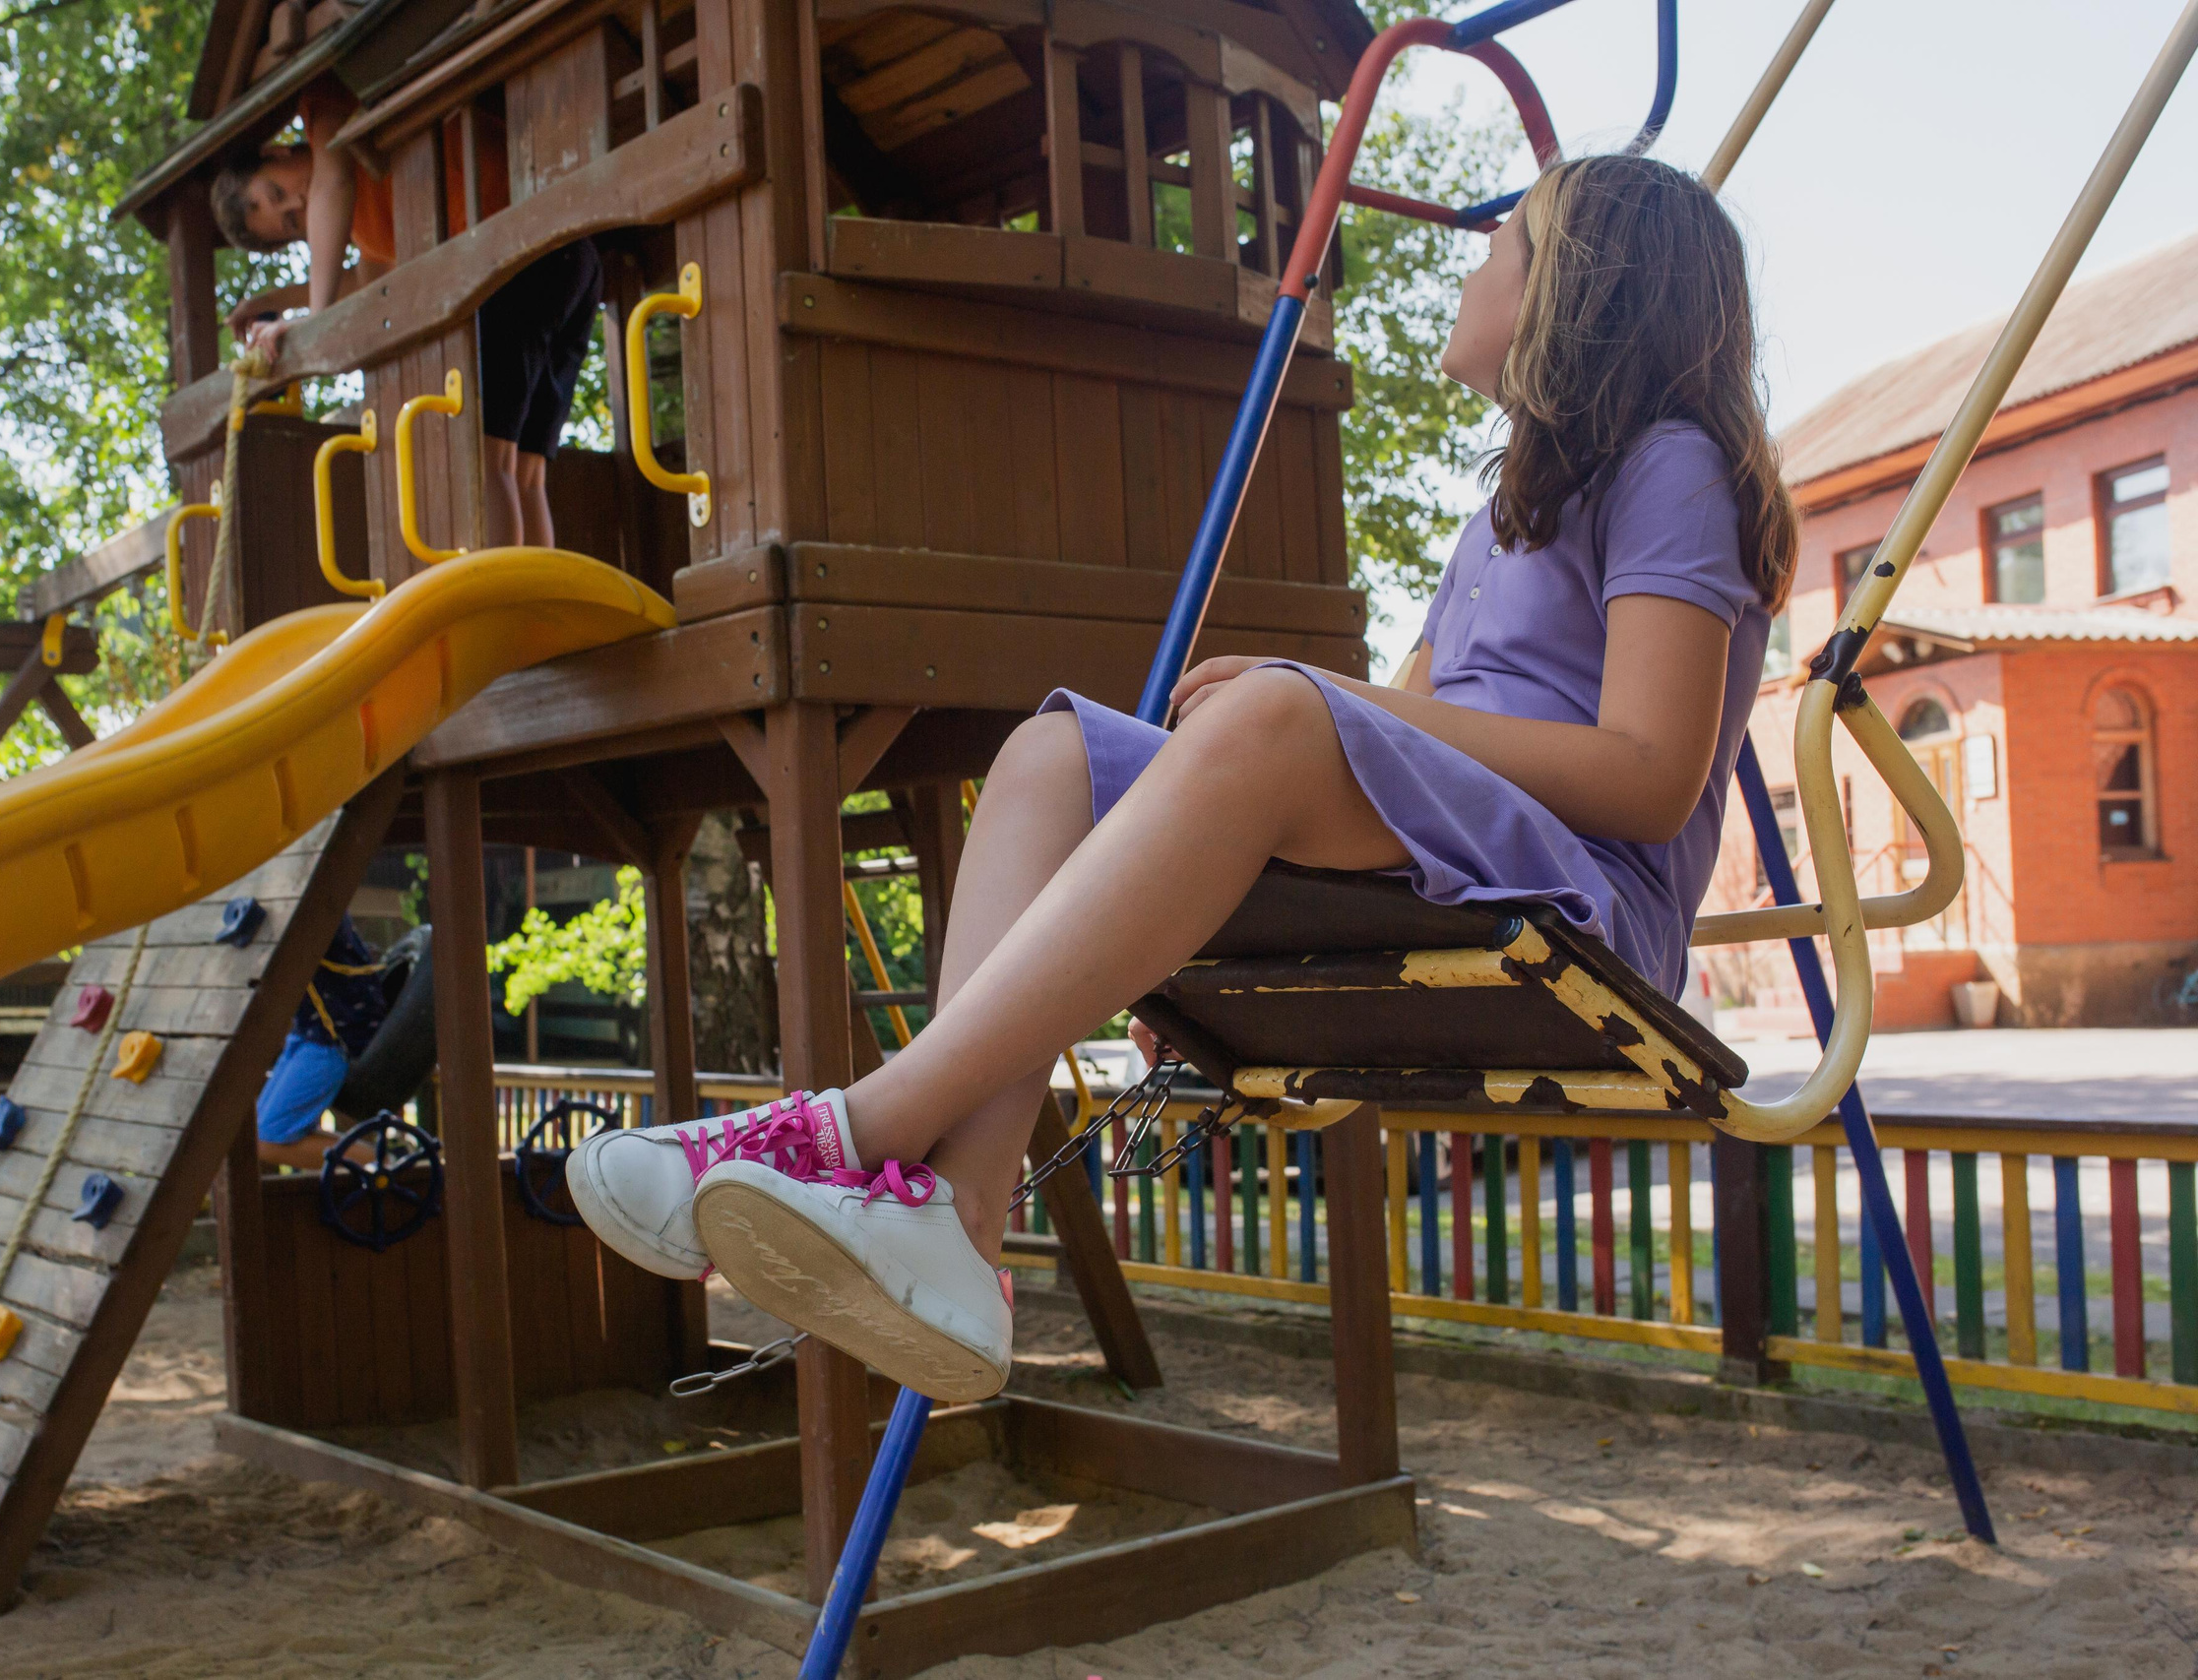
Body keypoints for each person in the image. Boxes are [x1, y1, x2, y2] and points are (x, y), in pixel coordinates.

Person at [565, 154, 1792, 1404]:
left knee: (1273, 708)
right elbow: (1415, 736)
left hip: (1588, 908)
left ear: (1572, 293)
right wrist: (1185, 908)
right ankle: (958, 1216)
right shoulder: (1500, 519)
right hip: (1454, 866)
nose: (1472, 264)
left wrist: (1331, 704)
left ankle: (851, 1130)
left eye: (1502, 244)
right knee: (1053, 753)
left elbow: (1648, 779)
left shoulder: (1673, 468)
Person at [210, 80, 602, 550]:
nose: (296, 203)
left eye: (276, 192)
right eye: (290, 222)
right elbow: (367, 283)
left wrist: (314, 318)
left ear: (275, 152)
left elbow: (333, 180)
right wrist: (275, 301)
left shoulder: (325, 110)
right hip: (564, 261)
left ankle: (510, 610)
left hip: (514, 249)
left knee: (485, 458)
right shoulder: (364, 229)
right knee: (524, 471)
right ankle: (545, 611)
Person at [255, 917, 393, 1169]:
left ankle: (386, 1168)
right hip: (308, 1030)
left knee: (268, 1139)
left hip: (335, 1035)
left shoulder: (313, 907)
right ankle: (380, 1163)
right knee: (259, 1133)